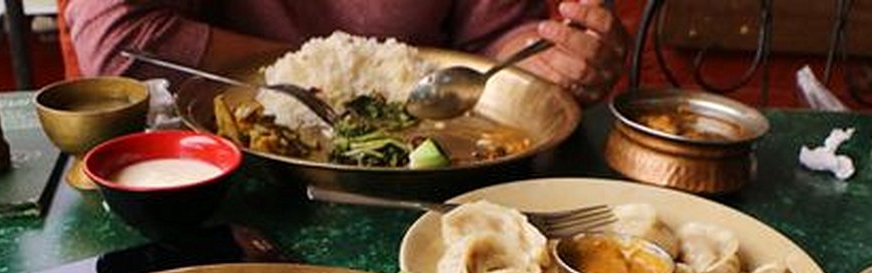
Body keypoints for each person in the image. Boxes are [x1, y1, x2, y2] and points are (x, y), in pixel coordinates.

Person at [62, 1, 629, 105]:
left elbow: (491, 41)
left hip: (423, 187)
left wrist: (552, 57)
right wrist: (334, 67)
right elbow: (114, 43)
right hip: (226, 194)